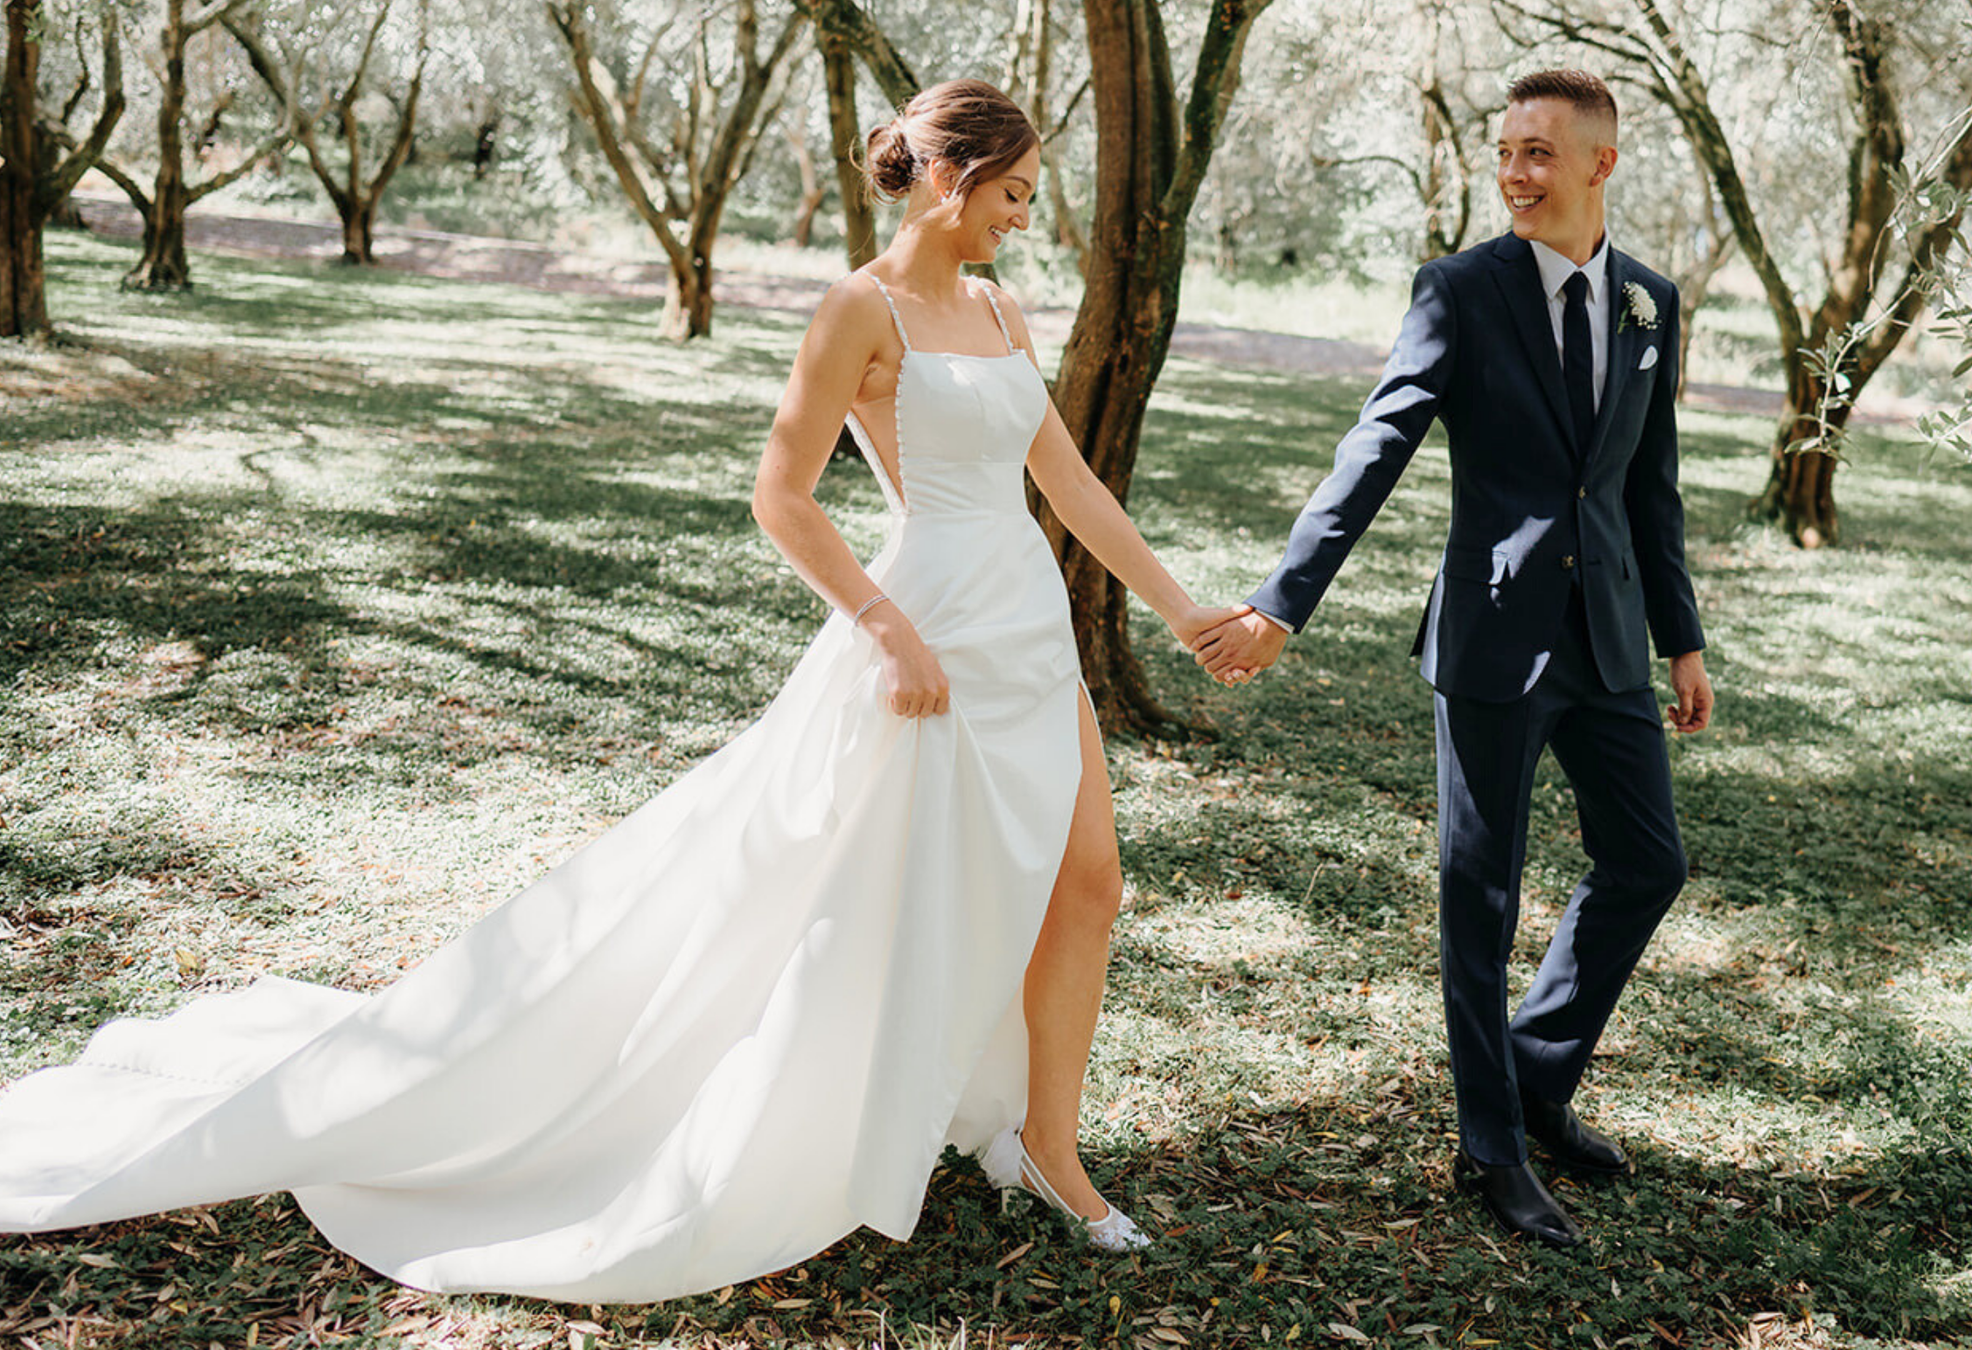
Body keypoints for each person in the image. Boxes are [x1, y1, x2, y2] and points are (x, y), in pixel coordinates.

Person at [0, 80, 1242, 1300]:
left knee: (1088, 882)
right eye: (1011, 193)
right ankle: (815, 1110)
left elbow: (1069, 488)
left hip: (1026, 626)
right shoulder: (858, 311)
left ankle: (1047, 1146)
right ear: (950, 176)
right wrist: (884, 627)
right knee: (861, 894)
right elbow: (782, 497)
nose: (1022, 218)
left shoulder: (1003, 309)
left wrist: (1182, 608)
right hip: (924, 634)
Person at [1193, 69, 1714, 1248]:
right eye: (1506, 151)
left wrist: (1678, 639)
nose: (1516, 173)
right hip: (1491, 640)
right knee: (1478, 897)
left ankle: (1535, 1078)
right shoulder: (1461, 291)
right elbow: (1374, 448)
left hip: (1610, 645)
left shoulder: (1649, 304)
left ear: (1600, 165)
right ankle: (1493, 1149)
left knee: (1647, 862)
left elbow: (1648, 485)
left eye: (1540, 152)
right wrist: (1283, 602)